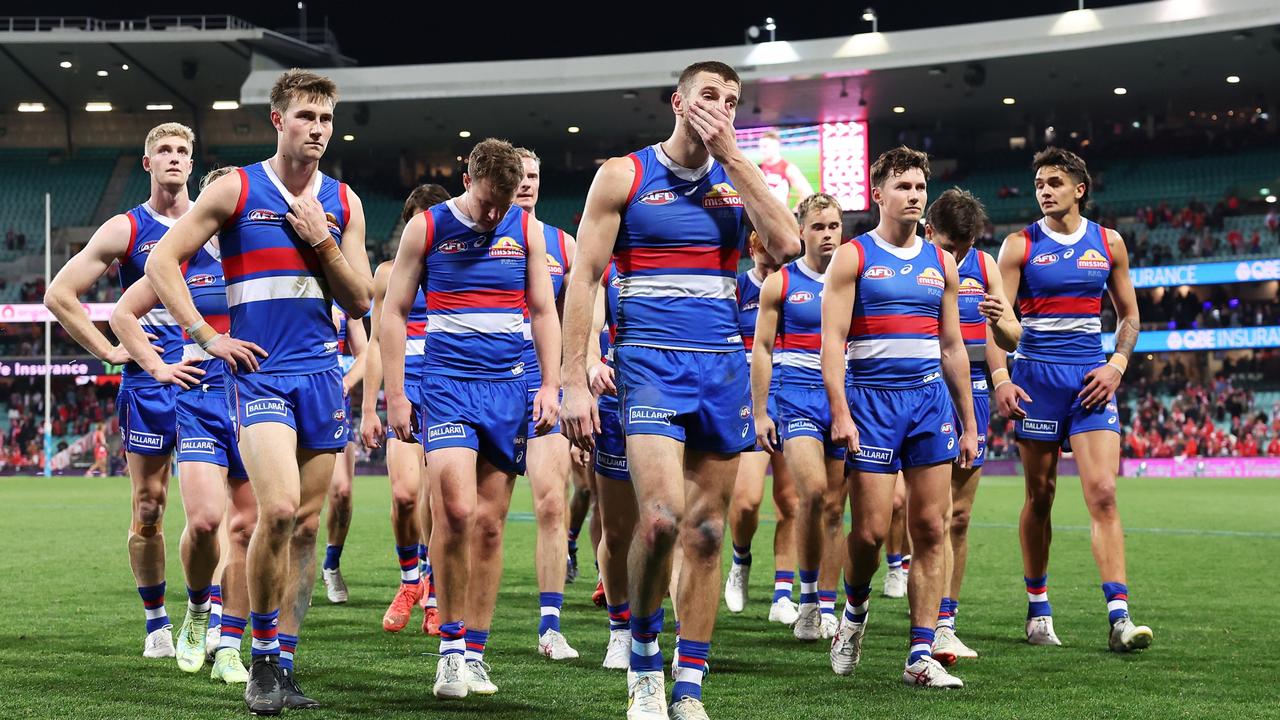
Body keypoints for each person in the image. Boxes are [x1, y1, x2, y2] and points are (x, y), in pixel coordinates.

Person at [560, 60, 800, 720]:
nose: (718, 107)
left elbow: (788, 245)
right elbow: (582, 279)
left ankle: (687, 686)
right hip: (647, 366)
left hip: (720, 368)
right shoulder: (624, 176)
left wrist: (732, 154)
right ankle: (642, 662)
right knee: (661, 518)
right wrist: (573, 377)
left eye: (730, 100)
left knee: (707, 534)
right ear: (678, 101)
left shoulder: (739, 178)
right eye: (707, 97)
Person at [146, 69, 373, 714]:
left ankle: (283, 664)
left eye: (327, 119)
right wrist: (204, 334)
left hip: (322, 376)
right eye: (307, 117)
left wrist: (320, 238)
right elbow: (163, 261)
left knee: (306, 526)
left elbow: (359, 298)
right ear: (279, 120)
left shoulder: (344, 201)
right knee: (276, 511)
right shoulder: (235, 187)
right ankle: (260, 658)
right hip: (260, 374)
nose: (319, 130)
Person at [380, 138, 560, 700]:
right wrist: (396, 394)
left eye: (504, 202)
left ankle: (475, 652)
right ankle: (450, 648)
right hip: (447, 386)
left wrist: (550, 384)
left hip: (507, 390)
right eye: (488, 200)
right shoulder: (428, 228)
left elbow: (543, 309)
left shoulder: (525, 230)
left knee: (488, 525)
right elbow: (394, 312)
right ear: (467, 180)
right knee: (455, 510)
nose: (494, 213)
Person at [820, 146, 977, 689]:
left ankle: (919, 653)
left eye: (919, 187)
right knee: (866, 532)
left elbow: (954, 347)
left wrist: (969, 423)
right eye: (903, 187)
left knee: (932, 526)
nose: (914, 196)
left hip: (929, 402)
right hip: (871, 404)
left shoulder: (943, 263)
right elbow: (833, 343)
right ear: (877, 193)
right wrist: (840, 411)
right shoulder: (853, 257)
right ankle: (855, 614)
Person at [990, 147, 1152, 653]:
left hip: (1090, 380)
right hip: (1036, 380)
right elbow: (995, 320)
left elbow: (1129, 317)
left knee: (1102, 492)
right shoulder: (1018, 245)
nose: (1044, 189)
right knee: (1040, 497)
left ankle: (1119, 617)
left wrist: (1117, 365)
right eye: (1039, 182)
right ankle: (1038, 609)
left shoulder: (1109, 243)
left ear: (1079, 189)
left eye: (1055, 181)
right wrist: (1002, 379)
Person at [45, 122, 196, 659]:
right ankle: (156, 619)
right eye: (164, 151)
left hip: (208, 379)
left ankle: (206, 615)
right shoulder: (125, 228)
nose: (174, 159)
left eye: (182, 151)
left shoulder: (217, 224)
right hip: (149, 381)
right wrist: (109, 350)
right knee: (150, 506)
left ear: (192, 163)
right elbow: (59, 294)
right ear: (147, 163)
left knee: (212, 514)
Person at [110, 166, 258, 683]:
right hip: (200, 396)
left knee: (248, 526)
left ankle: (229, 637)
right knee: (203, 521)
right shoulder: (181, 261)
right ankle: (197, 608)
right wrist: (157, 366)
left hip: (259, 397)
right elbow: (122, 314)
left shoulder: (260, 256)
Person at [922, 188, 1021, 665]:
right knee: (913, 516)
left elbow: (1013, 335)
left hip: (972, 393)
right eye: (949, 245)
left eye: (964, 246)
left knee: (957, 517)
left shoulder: (984, 268)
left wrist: (1002, 322)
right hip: (915, 387)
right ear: (929, 231)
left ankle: (944, 624)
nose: (957, 256)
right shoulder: (913, 262)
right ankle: (850, 604)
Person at [750, 194, 848, 641]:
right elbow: (763, 350)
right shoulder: (782, 283)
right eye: (819, 227)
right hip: (797, 397)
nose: (828, 234)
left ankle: (825, 606)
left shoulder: (855, 278)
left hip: (845, 399)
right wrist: (760, 410)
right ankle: (806, 597)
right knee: (812, 492)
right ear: (802, 231)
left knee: (834, 509)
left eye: (834, 226)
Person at [361, 184, 451, 635]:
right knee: (404, 494)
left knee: (438, 499)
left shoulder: (460, 269)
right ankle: (409, 580)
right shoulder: (387, 273)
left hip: (448, 389)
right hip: (404, 390)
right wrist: (368, 409)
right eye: (417, 216)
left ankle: (434, 594)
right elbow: (376, 344)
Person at [512, 147, 581, 660]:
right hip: (480, 385)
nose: (527, 184)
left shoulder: (563, 244)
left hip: (543, 386)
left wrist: (576, 377)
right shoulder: (468, 237)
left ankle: (550, 624)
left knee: (552, 502)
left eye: (535, 175)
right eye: (518, 176)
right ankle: (459, 629)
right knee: (468, 514)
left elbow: (583, 315)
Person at [723, 231, 799, 627]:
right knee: (748, 500)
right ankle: (740, 558)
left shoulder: (795, 285)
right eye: (766, 253)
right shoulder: (739, 288)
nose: (774, 260)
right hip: (749, 402)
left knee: (791, 502)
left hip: (791, 399)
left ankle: (783, 592)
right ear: (753, 250)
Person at [320, 304, 367, 603]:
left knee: (342, 492)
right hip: (288, 391)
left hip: (333, 401)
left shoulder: (342, 296)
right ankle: (294, 568)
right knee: (291, 498)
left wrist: (347, 382)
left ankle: (331, 564)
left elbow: (366, 352)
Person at [757, 131, 814, 210]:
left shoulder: (788, 168)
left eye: (765, 146)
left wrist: (794, 213)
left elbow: (808, 194)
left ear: (776, 146)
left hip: (779, 218)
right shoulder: (758, 168)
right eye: (760, 147)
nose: (762, 150)